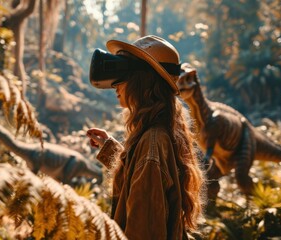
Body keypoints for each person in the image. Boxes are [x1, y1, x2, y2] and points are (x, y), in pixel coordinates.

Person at [86, 35, 205, 240]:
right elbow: (143, 177)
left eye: (124, 75)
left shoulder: (153, 142)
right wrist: (111, 149)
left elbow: (144, 230)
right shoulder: (158, 133)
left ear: (142, 81)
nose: (115, 84)